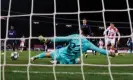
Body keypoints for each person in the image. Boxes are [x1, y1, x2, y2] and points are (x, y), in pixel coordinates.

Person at [31, 27, 116, 64]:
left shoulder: (75, 36)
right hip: (68, 61)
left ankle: (34, 57)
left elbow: (61, 38)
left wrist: (49, 39)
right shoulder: (88, 44)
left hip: (61, 53)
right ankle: (58, 62)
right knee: (78, 60)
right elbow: (99, 50)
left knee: (48, 54)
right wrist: (110, 53)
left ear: (81, 32)